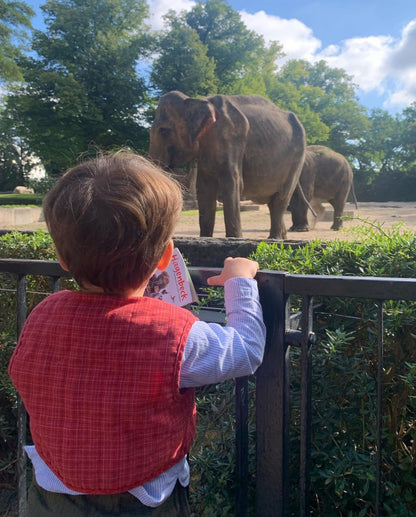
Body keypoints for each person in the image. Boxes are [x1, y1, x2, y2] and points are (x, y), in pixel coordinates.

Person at [8, 151, 266, 517]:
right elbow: (246, 349)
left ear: (63, 260)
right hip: (145, 499)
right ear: (164, 258)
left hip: (51, 495)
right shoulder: (176, 332)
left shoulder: (43, 314)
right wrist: (240, 282)